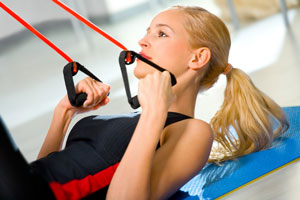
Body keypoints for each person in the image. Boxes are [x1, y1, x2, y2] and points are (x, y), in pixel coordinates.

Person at [0, 5, 289, 200]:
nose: (142, 41)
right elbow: (42, 174)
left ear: (197, 58)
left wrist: (154, 113)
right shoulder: (139, 118)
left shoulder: (192, 132)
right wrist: (63, 114)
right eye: (147, 32)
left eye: (161, 34)